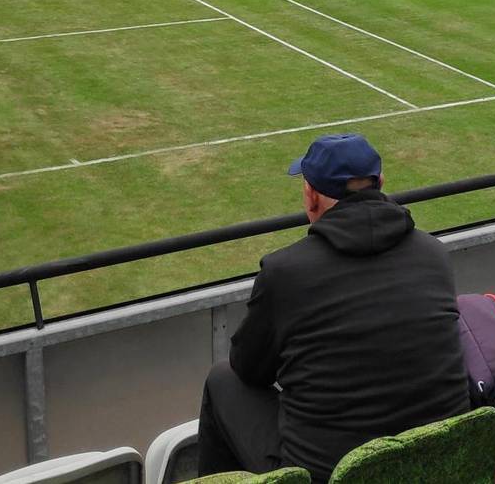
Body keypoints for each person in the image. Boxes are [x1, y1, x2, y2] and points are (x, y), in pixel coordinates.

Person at [196, 134, 469, 481]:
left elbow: (248, 369)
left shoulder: (286, 272)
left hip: (327, 475)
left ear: (310, 195)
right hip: (436, 462)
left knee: (222, 378)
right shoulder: (434, 254)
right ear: (380, 183)